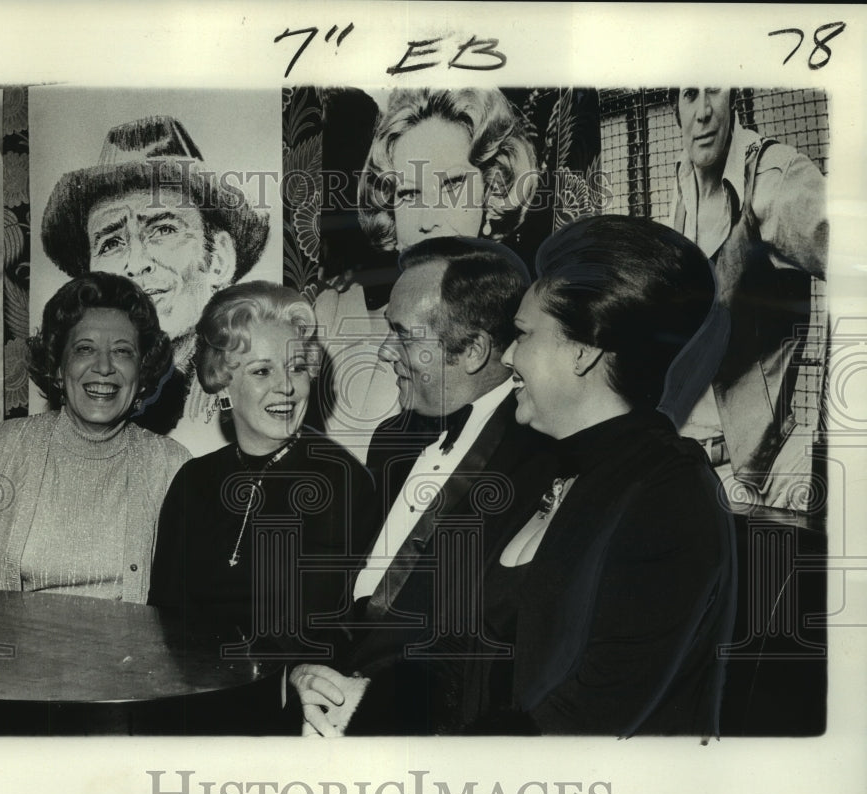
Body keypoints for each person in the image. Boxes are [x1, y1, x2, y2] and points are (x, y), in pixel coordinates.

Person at [464, 215, 737, 736]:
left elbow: (589, 718)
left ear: (584, 350)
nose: (506, 355)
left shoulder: (671, 492)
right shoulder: (549, 463)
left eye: (522, 335)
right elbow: (485, 666)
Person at [290, 236, 557, 736]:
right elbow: (347, 591)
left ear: (474, 350)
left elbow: (506, 650)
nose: (385, 351)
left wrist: (379, 710)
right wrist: (304, 674)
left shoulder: (542, 459)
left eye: (403, 335)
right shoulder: (391, 439)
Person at [147, 282, 374, 658]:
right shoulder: (194, 480)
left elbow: (322, 633)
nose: (286, 387)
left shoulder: (342, 482)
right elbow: (165, 616)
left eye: (296, 368)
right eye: (262, 371)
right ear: (223, 383)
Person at [316, 88, 540, 462]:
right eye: (409, 194)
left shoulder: (532, 348)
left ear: (494, 192)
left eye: (452, 187)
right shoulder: (334, 323)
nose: (429, 218)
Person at [0, 274, 190, 602]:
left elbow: (187, 604)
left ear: (142, 373)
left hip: (132, 653)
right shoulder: (5, 447)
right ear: (59, 368)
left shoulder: (171, 465)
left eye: (122, 351)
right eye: (84, 348)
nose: (104, 366)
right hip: (22, 650)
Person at [40, 115, 271, 457]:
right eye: (111, 243)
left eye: (163, 230)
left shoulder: (253, 400)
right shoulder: (74, 401)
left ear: (219, 260)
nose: (136, 262)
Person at [663, 87, 828, 510]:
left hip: (759, 477)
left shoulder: (774, 177)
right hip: (684, 463)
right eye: (689, 95)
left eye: (714, 90)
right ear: (674, 107)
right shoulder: (682, 182)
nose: (703, 112)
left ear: (733, 95)